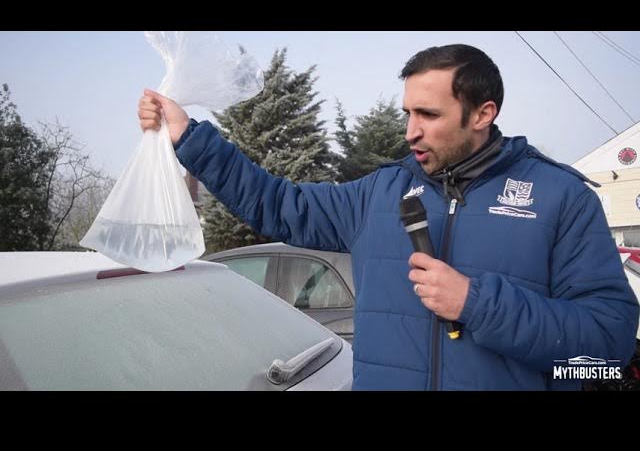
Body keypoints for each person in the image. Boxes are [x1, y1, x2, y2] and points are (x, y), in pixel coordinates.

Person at [137, 43, 639, 390]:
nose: (410, 132)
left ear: (483, 114)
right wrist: (190, 137)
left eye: (429, 116)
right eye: (407, 113)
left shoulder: (561, 198)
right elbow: (278, 204)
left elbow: (606, 347)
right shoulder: (379, 193)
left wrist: (477, 303)